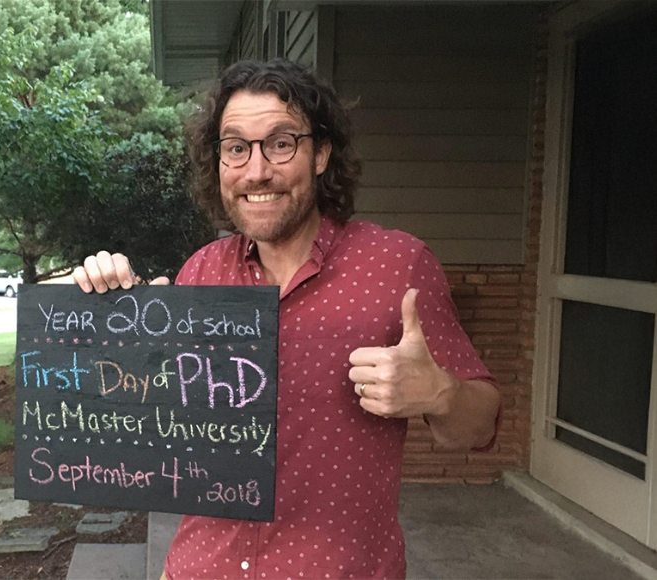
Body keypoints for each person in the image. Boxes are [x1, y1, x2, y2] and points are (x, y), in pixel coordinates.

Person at [72, 59, 500, 580]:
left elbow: (479, 429)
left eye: (280, 143)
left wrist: (441, 394)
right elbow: (149, 425)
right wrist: (107, 318)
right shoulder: (200, 272)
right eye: (236, 148)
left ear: (320, 153)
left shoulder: (397, 266)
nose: (256, 171)